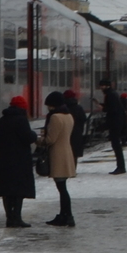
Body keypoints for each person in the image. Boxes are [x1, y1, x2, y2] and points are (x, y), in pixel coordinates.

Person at [0, 94, 38, 227]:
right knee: (18, 190)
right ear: (23, 108)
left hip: (5, 160)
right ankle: (17, 217)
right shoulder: (21, 120)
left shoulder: (2, 120)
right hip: (20, 160)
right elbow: (28, 137)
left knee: (7, 191)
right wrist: (34, 135)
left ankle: (9, 218)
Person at [39, 91, 76, 226]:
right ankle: (65, 215)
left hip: (57, 155)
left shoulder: (55, 118)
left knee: (62, 188)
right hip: (66, 153)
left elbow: (50, 140)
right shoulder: (69, 116)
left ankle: (67, 216)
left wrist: (37, 140)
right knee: (62, 187)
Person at [100, 80, 127, 174]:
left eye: (102, 86)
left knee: (116, 145)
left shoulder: (110, 94)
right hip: (117, 122)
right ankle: (120, 166)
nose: (101, 88)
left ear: (106, 86)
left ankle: (121, 167)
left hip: (115, 122)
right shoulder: (113, 94)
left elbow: (112, 109)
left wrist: (103, 108)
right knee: (116, 145)